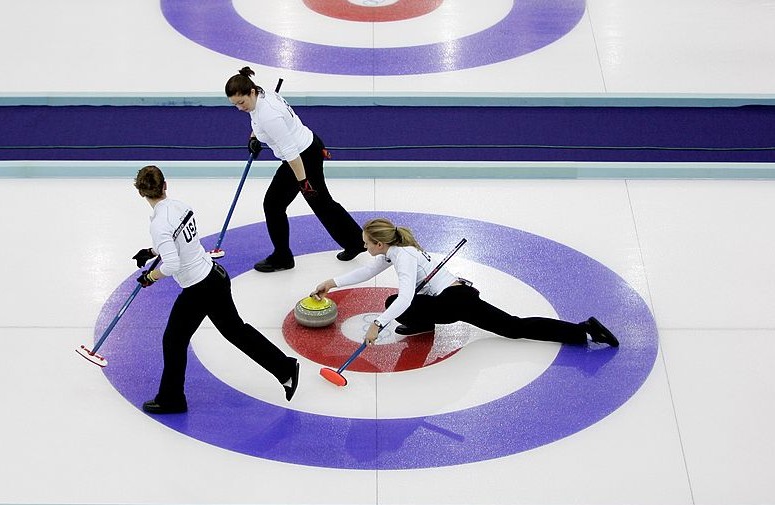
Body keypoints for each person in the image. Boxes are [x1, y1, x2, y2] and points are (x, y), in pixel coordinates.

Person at [131, 165, 300, 414]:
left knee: (174, 340)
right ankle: (284, 367)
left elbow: (173, 263)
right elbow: (178, 243)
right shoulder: (180, 207)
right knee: (235, 332)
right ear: (165, 185)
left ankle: (171, 399)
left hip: (198, 289)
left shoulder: (159, 224)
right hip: (214, 276)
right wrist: (153, 251)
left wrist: (151, 277)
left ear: (141, 193)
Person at [309, 218, 620, 348]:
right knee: (513, 326)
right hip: (452, 296)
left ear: (378, 243)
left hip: (454, 301)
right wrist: (331, 282)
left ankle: (583, 329)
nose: (364, 247)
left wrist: (378, 324)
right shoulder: (394, 252)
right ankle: (423, 323)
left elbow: (404, 298)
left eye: (366, 243)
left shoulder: (403, 257)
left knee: (513, 328)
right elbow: (366, 272)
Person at [225, 66, 365, 273]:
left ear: (251, 92)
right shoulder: (263, 96)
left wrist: (303, 182)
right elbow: (258, 118)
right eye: (235, 104)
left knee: (277, 204)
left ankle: (282, 257)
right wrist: (254, 136)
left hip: (301, 158)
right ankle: (355, 241)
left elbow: (290, 151)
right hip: (309, 145)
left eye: (241, 102)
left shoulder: (268, 115)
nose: (239, 108)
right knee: (320, 202)